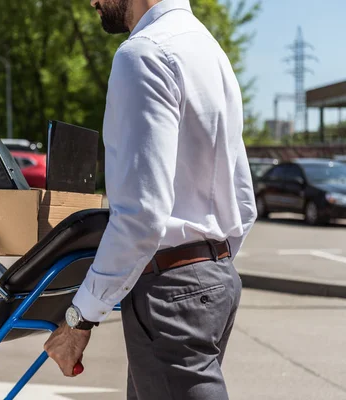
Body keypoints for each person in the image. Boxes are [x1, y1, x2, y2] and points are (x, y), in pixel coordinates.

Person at [44, 0, 257, 399]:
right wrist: (209, 265)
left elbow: (141, 215)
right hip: (213, 280)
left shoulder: (143, 53)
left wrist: (80, 318)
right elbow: (243, 198)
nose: (92, 1)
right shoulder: (208, 50)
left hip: (171, 291)